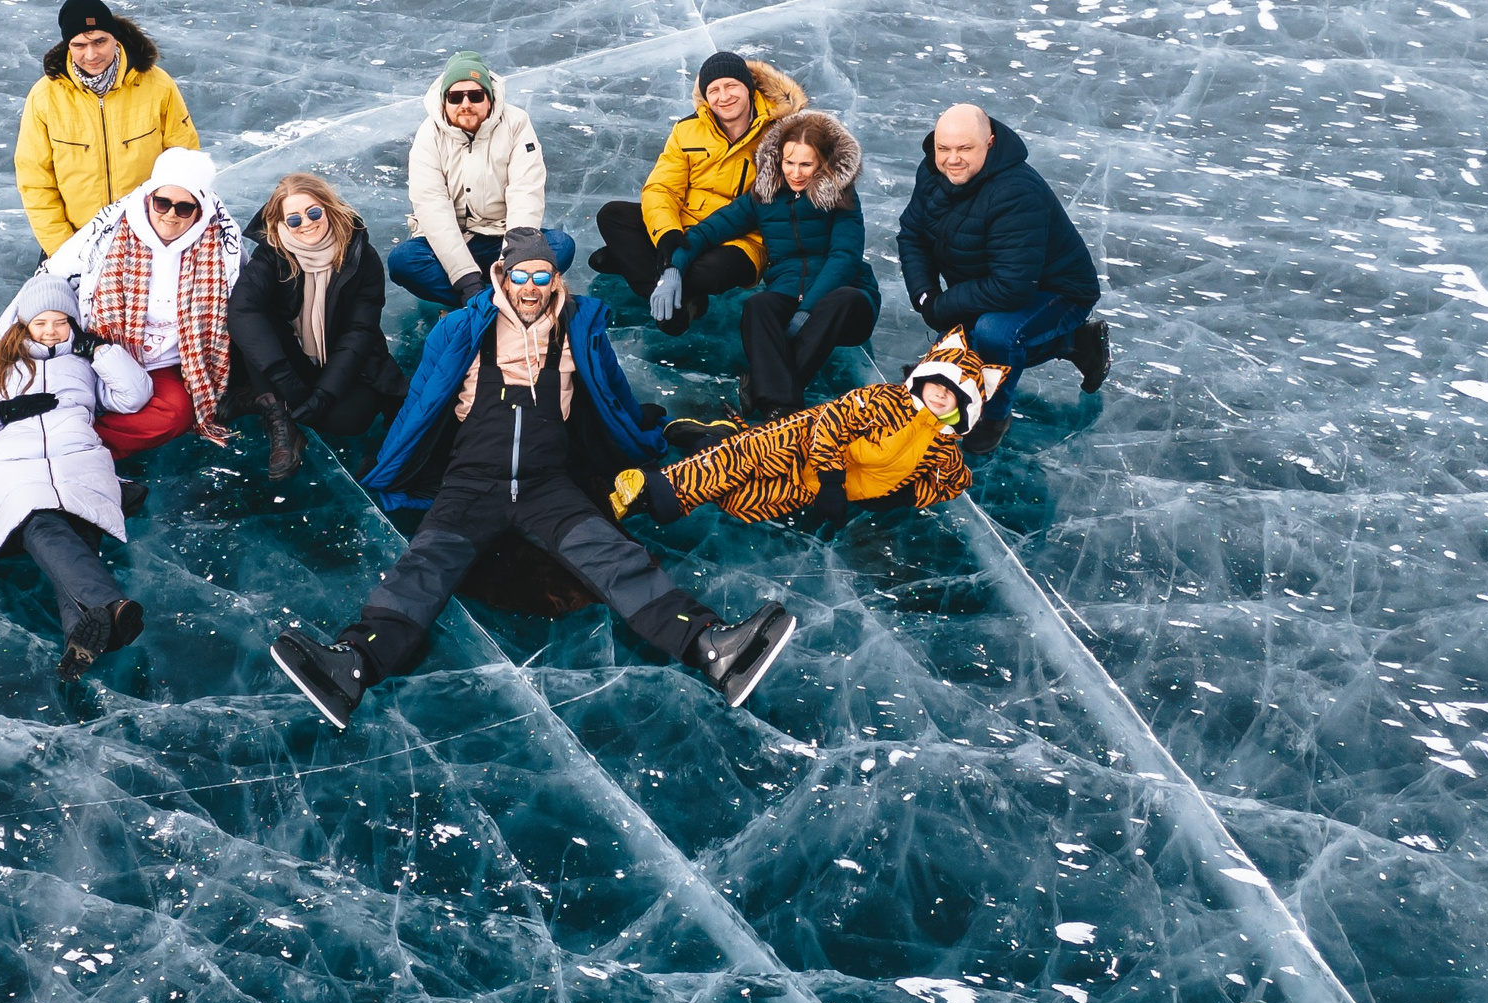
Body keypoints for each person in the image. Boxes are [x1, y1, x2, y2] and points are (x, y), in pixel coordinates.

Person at [266, 231, 799, 730]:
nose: (530, 288)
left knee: (617, 559)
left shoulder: (578, 331)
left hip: (548, 484)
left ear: (555, 281)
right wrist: (393, 462)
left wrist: (643, 433)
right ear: (502, 275)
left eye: (542, 277)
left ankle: (711, 647)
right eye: (521, 276)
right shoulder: (462, 329)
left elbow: (611, 393)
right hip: (472, 481)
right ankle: (353, 663)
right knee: (425, 565)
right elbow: (422, 400)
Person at [0, 276, 152, 681]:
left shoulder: (84, 365)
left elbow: (133, 395)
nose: (51, 331)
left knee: (79, 524)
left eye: (61, 322)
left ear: (74, 325)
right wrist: (3, 412)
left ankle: (84, 631)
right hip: (12, 463)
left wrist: (102, 352)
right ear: (25, 325)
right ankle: (110, 606)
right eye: (41, 322)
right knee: (39, 521)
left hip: (78, 458)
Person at [613, 334, 1003, 533]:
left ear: (964, 404)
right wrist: (833, 482)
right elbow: (833, 424)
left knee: (738, 501)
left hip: (814, 484)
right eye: (938, 381)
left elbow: (954, 483)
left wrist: (904, 495)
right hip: (802, 439)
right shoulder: (886, 401)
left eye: (953, 392)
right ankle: (653, 490)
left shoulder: (944, 449)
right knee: (738, 461)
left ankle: (714, 436)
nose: (940, 393)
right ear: (923, 377)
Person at [896, 105, 1108, 455]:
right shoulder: (933, 173)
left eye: (965, 149)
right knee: (954, 353)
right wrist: (925, 297)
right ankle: (1070, 343)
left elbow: (1011, 287)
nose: (952, 160)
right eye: (943, 148)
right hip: (988, 283)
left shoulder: (1016, 192)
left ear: (990, 143)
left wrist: (943, 306)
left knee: (994, 334)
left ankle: (995, 414)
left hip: (1055, 292)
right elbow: (912, 235)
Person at [656, 109, 880, 421]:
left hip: (845, 298)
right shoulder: (763, 196)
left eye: (806, 164)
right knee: (758, 306)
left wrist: (807, 310)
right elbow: (708, 230)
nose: (796, 172)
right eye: (789, 162)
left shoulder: (842, 198)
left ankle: (765, 391)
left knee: (843, 300)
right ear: (778, 159)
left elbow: (844, 259)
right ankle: (781, 411)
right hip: (788, 291)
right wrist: (674, 268)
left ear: (822, 163)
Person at [593, 50, 806, 336]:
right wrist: (668, 234)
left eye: (731, 86)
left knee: (708, 272)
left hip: (739, 238)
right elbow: (662, 187)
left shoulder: (782, 136)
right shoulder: (687, 130)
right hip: (685, 226)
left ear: (749, 88)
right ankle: (682, 298)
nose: (724, 96)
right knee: (613, 215)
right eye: (713, 90)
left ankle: (637, 264)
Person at [47, 146, 241, 454]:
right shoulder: (109, 231)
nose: (171, 215)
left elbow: (247, 300)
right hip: (96, 346)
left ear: (200, 210)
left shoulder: (222, 248)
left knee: (175, 414)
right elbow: (53, 278)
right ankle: (48, 435)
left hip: (166, 364)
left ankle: (81, 448)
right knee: (50, 386)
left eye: (184, 208)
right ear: (149, 197)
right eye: (162, 203)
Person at [228, 173, 410, 481]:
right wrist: (285, 379)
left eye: (313, 212)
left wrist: (324, 394)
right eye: (294, 219)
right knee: (255, 321)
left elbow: (359, 332)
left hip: (343, 360)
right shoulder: (272, 252)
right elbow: (242, 309)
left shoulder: (360, 255)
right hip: (291, 359)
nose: (307, 224)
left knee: (351, 420)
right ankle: (280, 417)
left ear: (327, 208)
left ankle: (270, 398)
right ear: (282, 224)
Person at [15, 0, 200, 257]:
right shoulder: (45, 96)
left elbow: (184, 163)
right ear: (68, 45)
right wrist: (63, 249)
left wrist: (166, 234)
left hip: (148, 240)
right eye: (79, 45)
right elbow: (35, 181)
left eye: (100, 41)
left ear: (115, 38)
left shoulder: (157, 85)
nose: (91, 54)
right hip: (75, 242)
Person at [388, 52, 573, 309]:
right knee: (404, 261)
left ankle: (490, 300)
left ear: (489, 98)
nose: (466, 104)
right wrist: (466, 281)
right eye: (455, 97)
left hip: (501, 234)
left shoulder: (516, 124)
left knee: (561, 246)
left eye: (475, 96)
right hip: (453, 239)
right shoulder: (428, 136)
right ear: (444, 101)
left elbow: (525, 195)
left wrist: (512, 266)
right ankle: (491, 302)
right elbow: (433, 209)